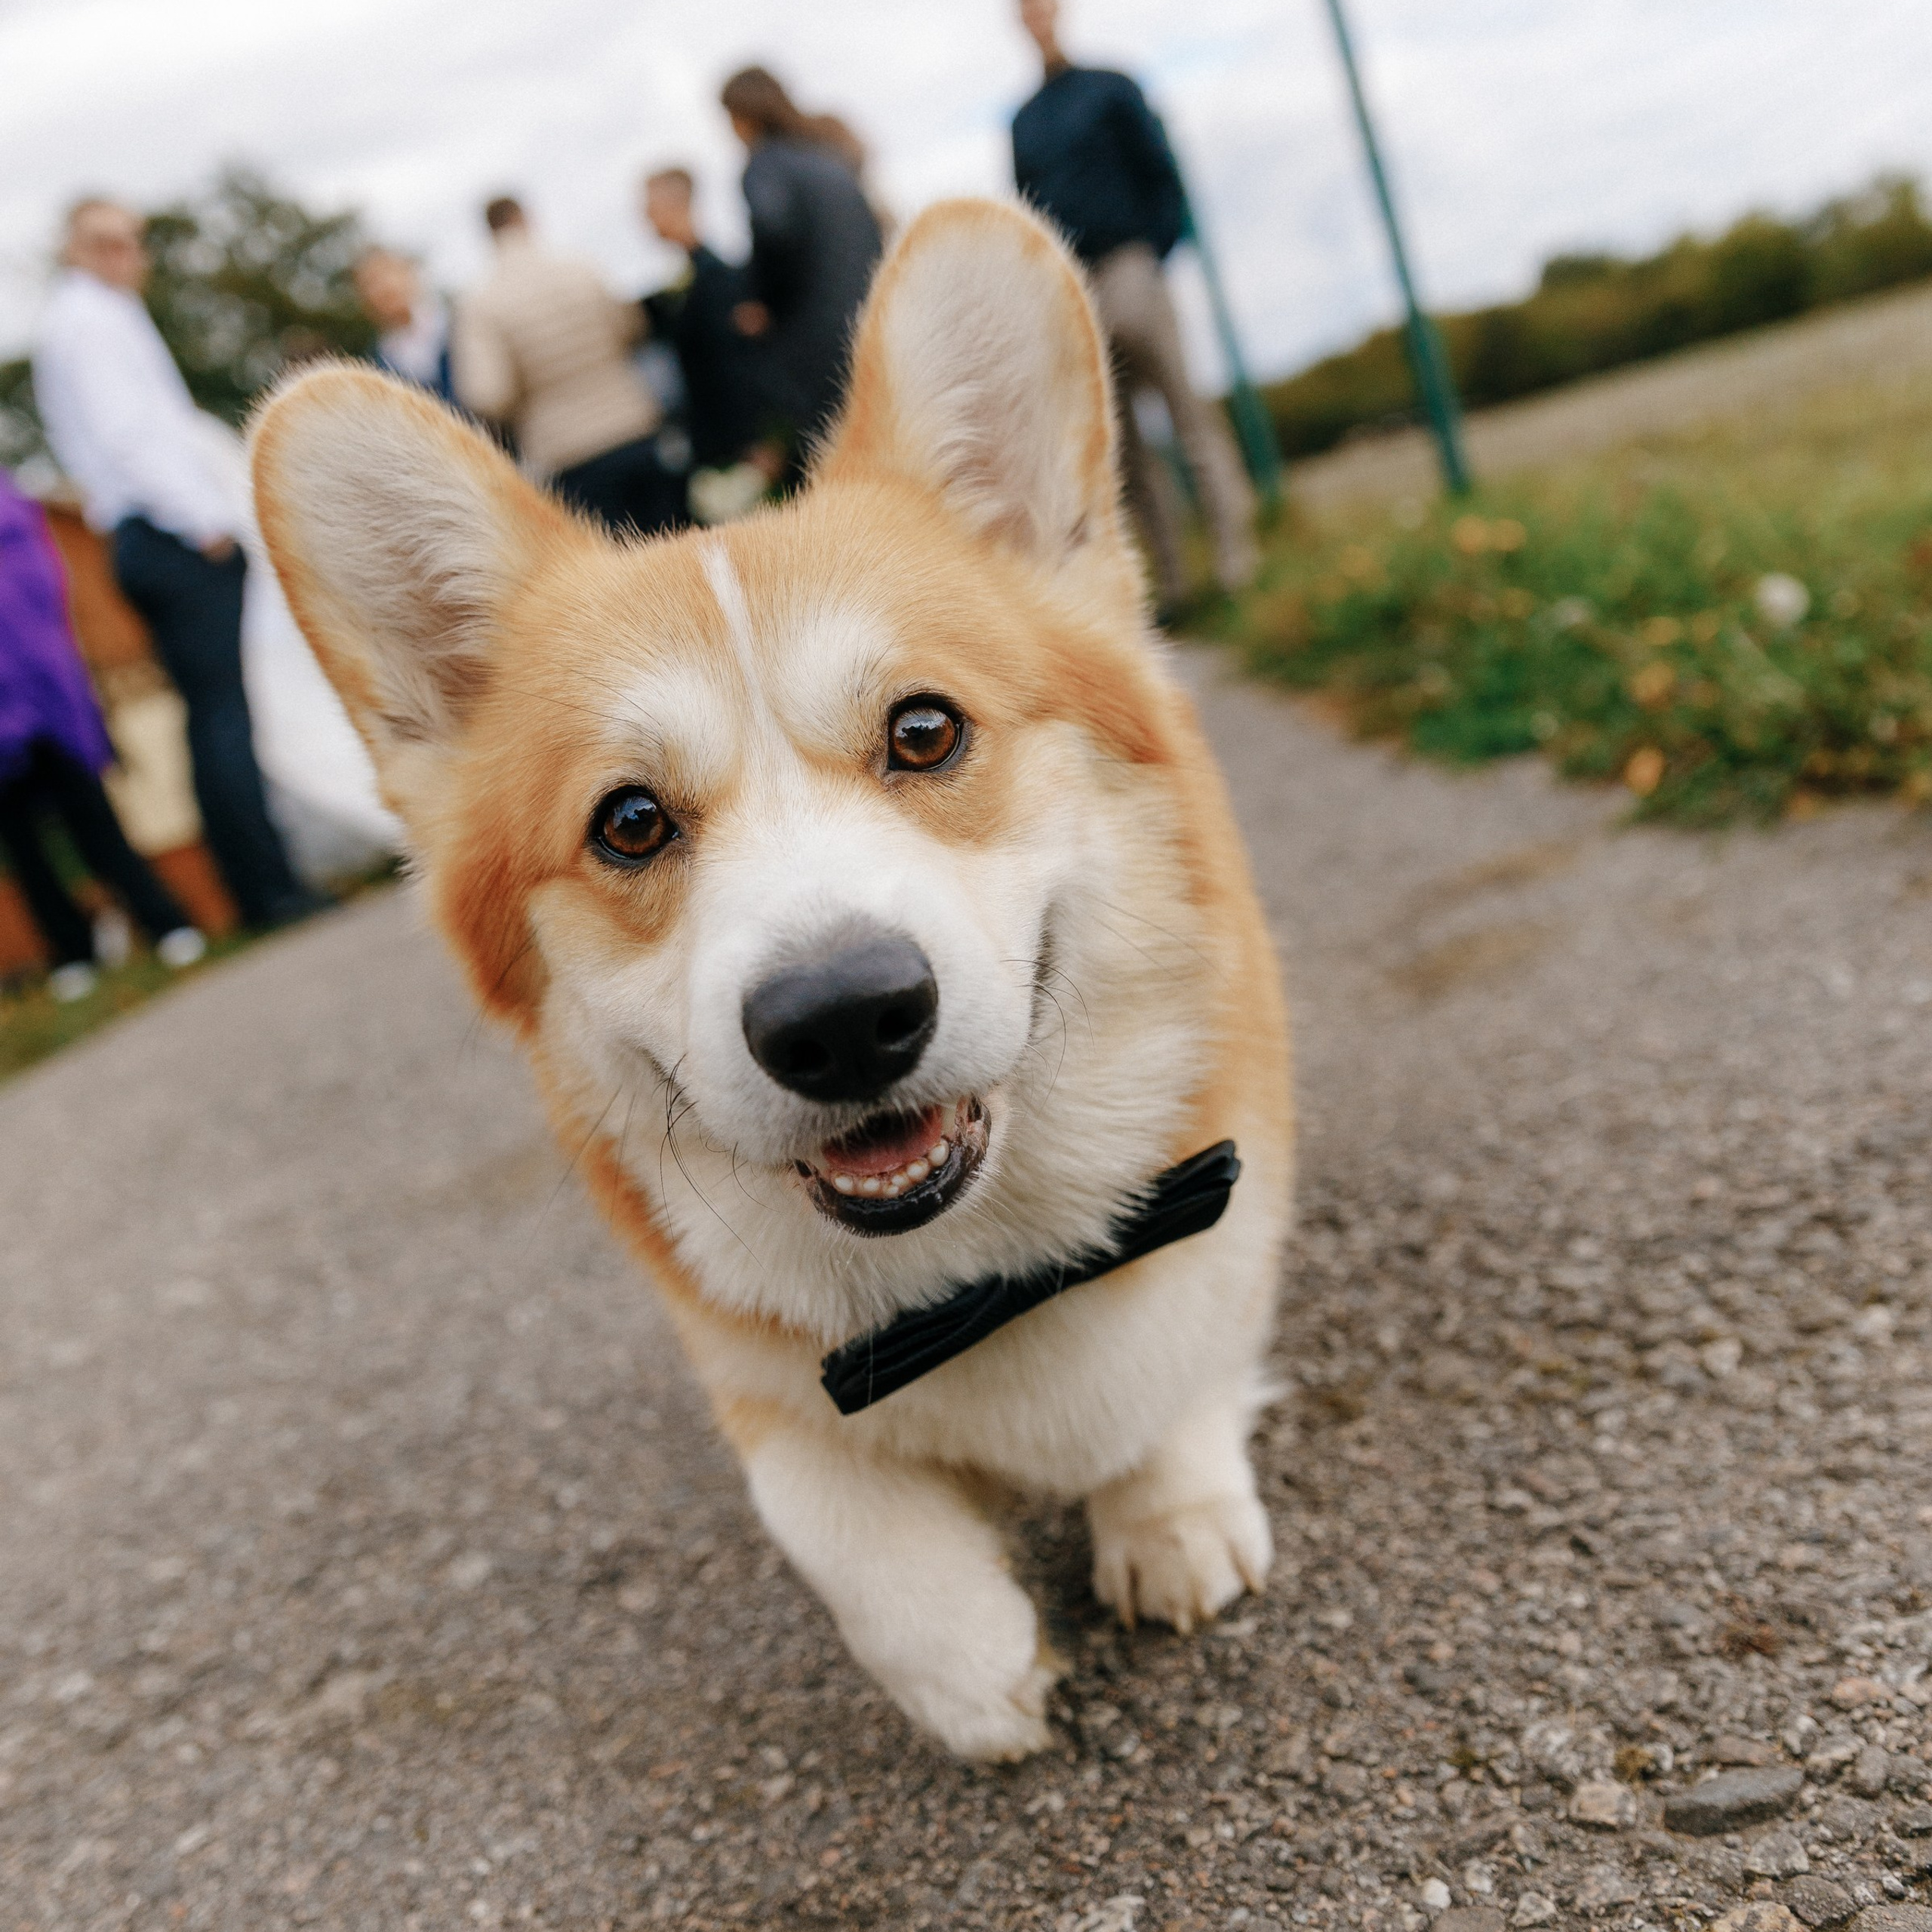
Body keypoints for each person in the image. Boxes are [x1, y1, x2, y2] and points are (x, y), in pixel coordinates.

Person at [32, 198, 322, 930]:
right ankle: (267, 889)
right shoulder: (90, 322)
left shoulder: (92, 318)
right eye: (104, 242)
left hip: (149, 536)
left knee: (211, 714)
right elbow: (130, 437)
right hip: (168, 533)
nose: (122, 255)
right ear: (74, 248)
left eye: (132, 242)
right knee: (223, 715)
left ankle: (258, 884)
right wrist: (205, 527)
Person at [1011, 0, 1258, 608]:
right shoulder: (1023, 122)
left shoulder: (1109, 87)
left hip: (1129, 264)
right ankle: (1169, 584)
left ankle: (1237, 559)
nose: (1035, 17)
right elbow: (1028, 213)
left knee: (1187, 414)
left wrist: (1154, 249)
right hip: (1075, 289)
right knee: (1120, 447)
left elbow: (1159, 168)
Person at [0, 469, 205, 1001]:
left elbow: (42, 587)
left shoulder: (11, 505)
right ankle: (71, 953)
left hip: (44, 690)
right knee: (23, 843)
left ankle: (164, 923)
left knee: (95, 819)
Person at [451, 196, 683, 537]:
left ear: (489, 233)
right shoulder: (580, 267)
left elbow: (487, 395)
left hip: (567, 455)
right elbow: (631, 328)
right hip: (634, 428)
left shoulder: (481, 302)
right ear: (526, 219)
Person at [719, 67, 884, 477]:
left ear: (743, 115)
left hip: (817, 354)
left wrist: (761, 304)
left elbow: (774, 229)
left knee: (843, 475)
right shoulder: (827, 159)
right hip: (869, 329)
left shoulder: (763, 166)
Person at [639, 169, 762, 478]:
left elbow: (732, 364)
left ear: (676, 205)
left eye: (650, 207)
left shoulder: (716, 278)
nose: (646, 219)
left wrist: (754, 441)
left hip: (736, 446)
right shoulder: (691, 279)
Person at [352, 247, 454, 401]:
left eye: (387, 273)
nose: (381, 288)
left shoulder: (455, 325)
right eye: (369, 283)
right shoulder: (380, 357)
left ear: (408, 274)